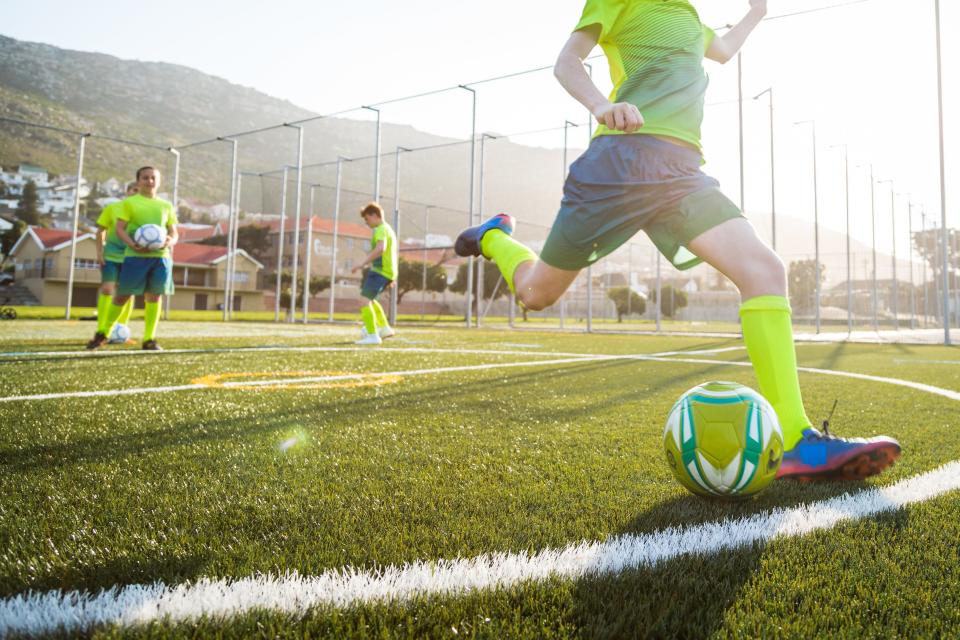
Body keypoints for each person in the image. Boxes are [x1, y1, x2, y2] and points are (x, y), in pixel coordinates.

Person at [454, 0, 901, 481]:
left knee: (765, 270)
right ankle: (495, 237)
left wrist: (758, 12)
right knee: (535, 293)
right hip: (618, 162)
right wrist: (602, 105)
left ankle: (795, 440)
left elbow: (724, 50)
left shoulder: (691, 19)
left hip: (680, 173)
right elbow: (567, 62)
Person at [87, 166, 178, 351]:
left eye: (153, 178)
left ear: (158, 181)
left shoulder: (166, 206)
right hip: (135, 256)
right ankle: (103, 333)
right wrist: (132, 243)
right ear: (138, 181)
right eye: (145, 178)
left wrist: (169, 241)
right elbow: (120, 229)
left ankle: (149, 339)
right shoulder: (129, 203)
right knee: (122, 296)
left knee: (154, 297)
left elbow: (174, 233)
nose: (150, 181)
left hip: (160, 257)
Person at [90, 182, 138, 345]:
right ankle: (102, 329)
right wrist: (99, 251)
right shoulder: (112, 208)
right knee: (107, 289)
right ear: (127, 191)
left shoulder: (143, 212)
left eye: (139, 190)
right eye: (134, 190)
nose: (136, 193)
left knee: (127, 293)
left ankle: (121, 329)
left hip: (132, 257)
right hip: (111, 256)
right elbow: (101, 230)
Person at [351, 202, 397, 346]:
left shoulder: (380, 229)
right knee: (370, 300)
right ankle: (384, 328)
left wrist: (362, 263)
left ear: (374, 215)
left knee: (363, 301)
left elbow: (380, 249)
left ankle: (372, 335)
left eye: (367, 219)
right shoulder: (388, 229)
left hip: (379, 272)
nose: (366, 222)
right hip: (388, 272)